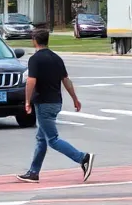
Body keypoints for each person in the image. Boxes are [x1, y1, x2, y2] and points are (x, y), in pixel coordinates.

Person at [16, 28, 94, 183]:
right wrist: (74, 98)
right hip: (56, 102)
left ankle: (83, 158)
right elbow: (66, 80)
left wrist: (26, 101)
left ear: (34, 41)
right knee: (41, 138)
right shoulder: (56, 58)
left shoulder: (35, 59)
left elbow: (31, 81)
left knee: (52, 139)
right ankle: (33, 172)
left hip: (43, 103)